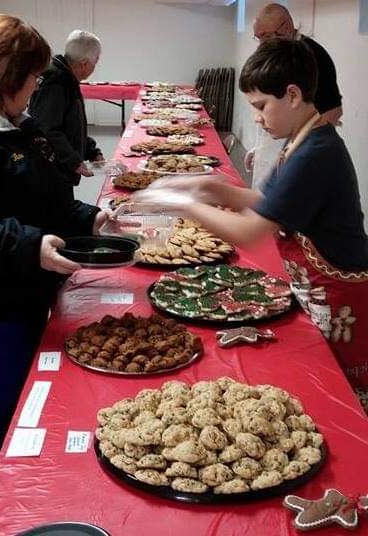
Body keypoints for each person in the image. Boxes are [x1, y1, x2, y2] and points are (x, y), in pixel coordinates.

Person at [131, 38, 368, 391]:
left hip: (338, 294)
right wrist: (205, 186)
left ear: (292, 94)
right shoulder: (302, 139)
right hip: (315, 288)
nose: (256, 118)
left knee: (339, 391)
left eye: (261, 106)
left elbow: (251, 231)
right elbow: (262, 198)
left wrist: (183, 206)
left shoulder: (316, 153)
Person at [0, 14, 108, 508]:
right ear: (7, 76)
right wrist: (31, 246)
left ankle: (34, 500)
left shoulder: (20, 126)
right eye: (32, 77)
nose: (37, 86)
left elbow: (46, 200)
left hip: (29, 293)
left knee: (34, 406)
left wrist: (91, 218)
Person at [247, 3, 343, 188]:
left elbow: (333, 111)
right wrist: (260, 147)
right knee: (262, 198)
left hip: (299, 147)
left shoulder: (312, 55)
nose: (262, 44)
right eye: (258, 38)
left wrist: (296, 150)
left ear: (286, 28)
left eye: (266, 36)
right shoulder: (277, 52)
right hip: (279, 141)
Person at [29, 30, 104, 186]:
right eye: (95, 62)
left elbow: (71, 125)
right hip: (51, 173)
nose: (95, 66)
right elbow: (48, 129)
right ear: (84, 63)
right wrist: (74, 161)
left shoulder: (66, 76)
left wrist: (90, 150)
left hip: (59, 169)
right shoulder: (56, 80)